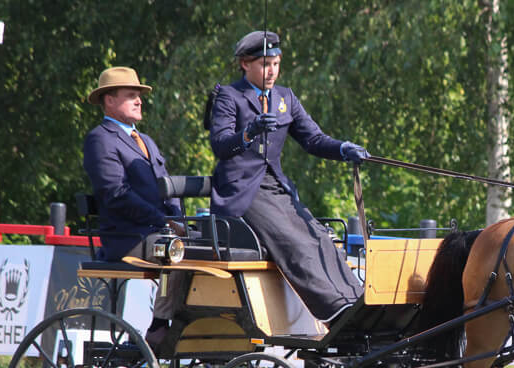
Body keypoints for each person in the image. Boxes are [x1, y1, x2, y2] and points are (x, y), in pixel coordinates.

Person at [208, 30, 368, 324]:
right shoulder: (230, 97)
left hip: (277, 188)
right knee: (296, 244)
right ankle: (334, 312)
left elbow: (313, 140)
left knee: (320, 238)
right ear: (245, 64)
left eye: (276, 64)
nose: (271, 72)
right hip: (243, 191)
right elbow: (220, 145)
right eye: (264, 64)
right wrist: (249, 132)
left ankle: (357, 303)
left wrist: (343, 149)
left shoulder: (285, 97)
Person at [82, 66, 185, 349]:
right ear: (109, 100)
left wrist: (178, 219)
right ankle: (159, 326)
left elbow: (168, 187)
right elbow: (115, 194)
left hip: (158, 232)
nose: (139, 101)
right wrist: (163, 221)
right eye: (131, 95)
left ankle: (188, 324)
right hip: (127, 237)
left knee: (206, 247)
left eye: (139, 95)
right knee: (179, 252)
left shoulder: (146, 141)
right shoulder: (100, 139)